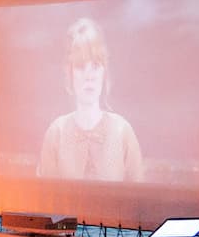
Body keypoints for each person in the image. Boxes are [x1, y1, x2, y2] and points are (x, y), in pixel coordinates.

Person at [36, 17, 144, 182]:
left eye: (95, 66)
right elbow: (42, 200)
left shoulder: (123, 131)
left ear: (104, 72)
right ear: (70, 73)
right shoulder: (56, 132)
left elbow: (139, 200)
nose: (89, 76)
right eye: (80, 66)